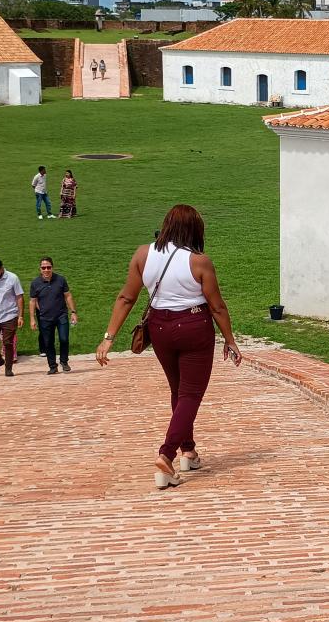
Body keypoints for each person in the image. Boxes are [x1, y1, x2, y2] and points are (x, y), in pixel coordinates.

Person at [95, 204, 243, 490]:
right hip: (193, 327)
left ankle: (188, 450)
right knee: (191, 393)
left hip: (159, 328)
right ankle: (167, 454)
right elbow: (217, 306)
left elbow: (126, 297)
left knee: (178, 391)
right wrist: (230, 339)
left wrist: (108, 337)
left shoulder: (142, 254)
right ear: (194, 229)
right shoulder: (199, 261)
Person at [29, 257, 77, 374]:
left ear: (52, 267)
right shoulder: (35, 283)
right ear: (40, 269)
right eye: (43, 268)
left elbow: (68, 295)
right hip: (45, 317)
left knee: (64, 339)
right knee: (48, 342)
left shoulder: (60, 279)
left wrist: (73, 312)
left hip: (61, 315)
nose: (46, 270)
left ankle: (64, 361)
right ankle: (52, 366)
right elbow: (32, 301)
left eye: (48, 267)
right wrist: (32, 319)